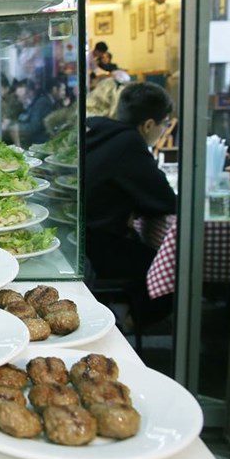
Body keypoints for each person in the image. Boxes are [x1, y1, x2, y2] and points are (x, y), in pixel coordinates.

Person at [84, 82, 177, 328]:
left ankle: (123, 310)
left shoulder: (99, 129)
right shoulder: (130, 144)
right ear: (148, 125)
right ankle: (128, 321)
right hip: (97, 247)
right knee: (168, 266)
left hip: (79, 239)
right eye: (164, 124)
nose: (164, 130)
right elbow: (165, 200)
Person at [15, 78, 55, 147]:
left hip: (40, 144)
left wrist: (14, 127)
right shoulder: (32, 103)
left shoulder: (41, 103)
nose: (19, 100)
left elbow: (33, 127)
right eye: (18, 97)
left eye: (22, 97)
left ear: (30, 92)